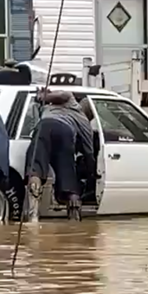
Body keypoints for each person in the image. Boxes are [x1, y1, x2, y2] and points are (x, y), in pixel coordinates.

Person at [25, 90, 96, 221]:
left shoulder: (68, 102)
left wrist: (42, 96)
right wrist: (92, 174)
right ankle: (74, 219)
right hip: (65, 133)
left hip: (43, 128)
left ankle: (33, 215)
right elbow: (89, 152)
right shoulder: (85, 122)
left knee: (36, 168)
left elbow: (63, 94)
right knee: (68, 174)